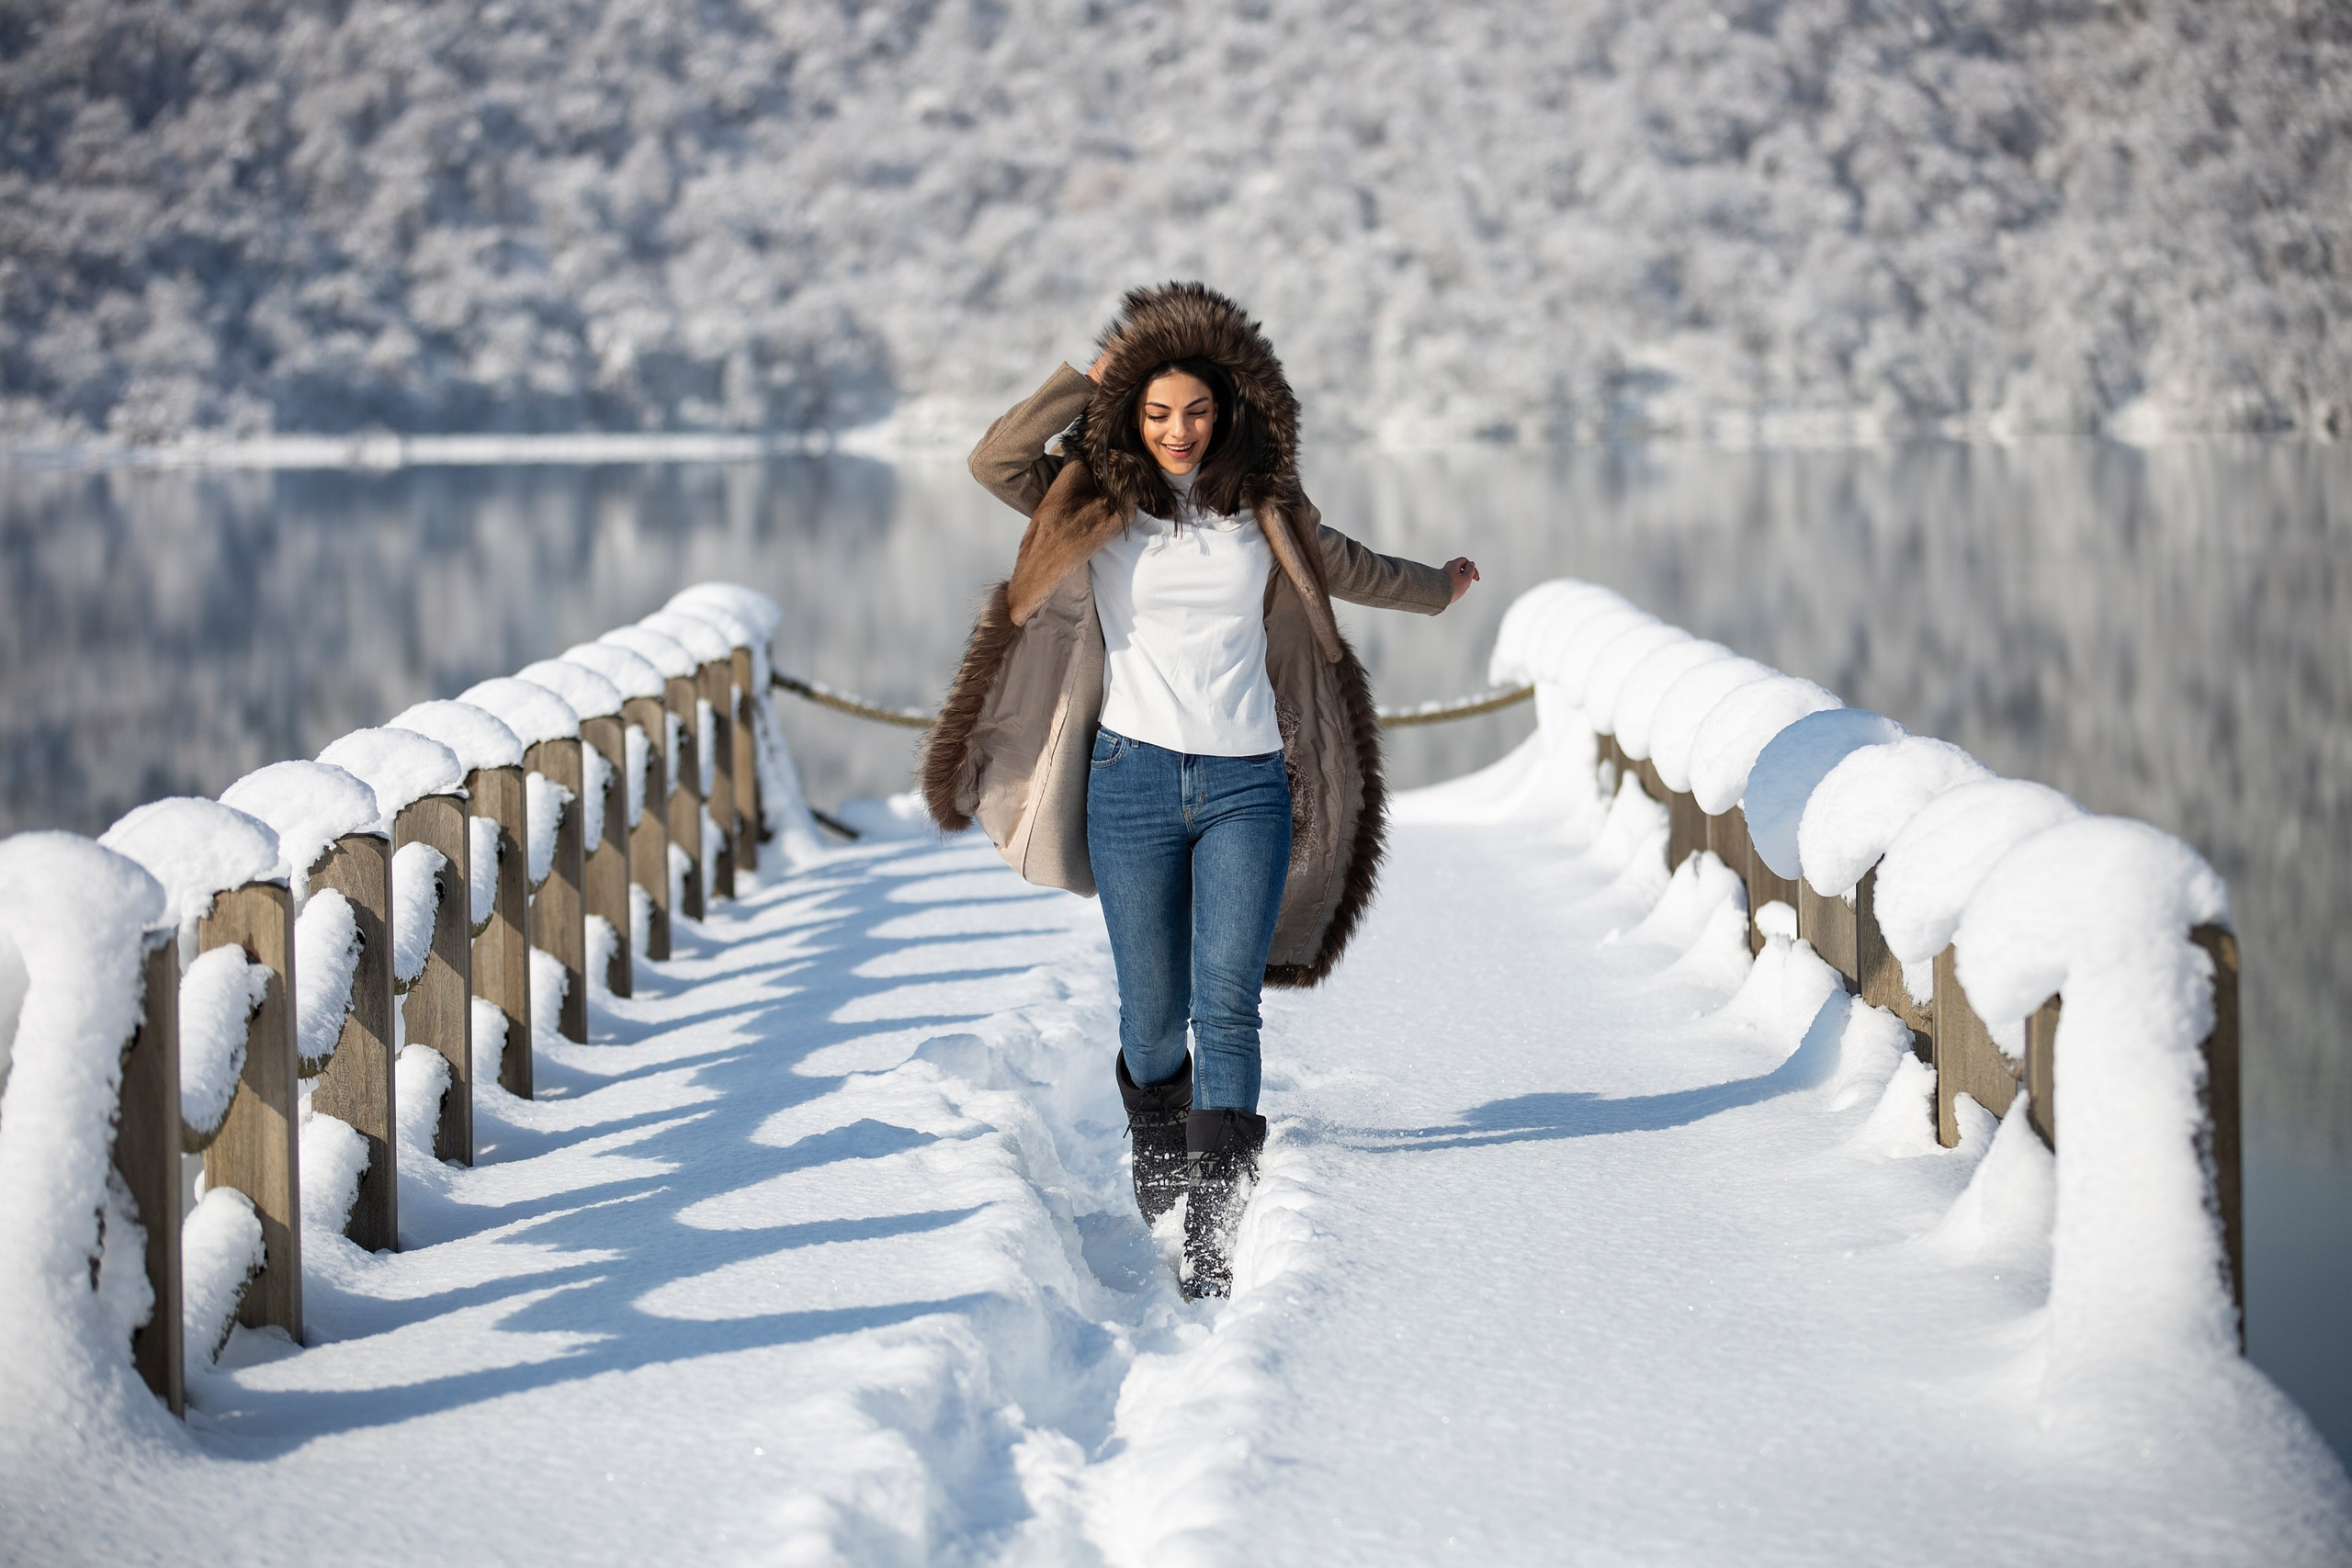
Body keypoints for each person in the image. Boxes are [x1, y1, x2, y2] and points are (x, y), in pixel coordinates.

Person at [922, 282, 1477, 1297]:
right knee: (1149, 1014)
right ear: (1131, 415)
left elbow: (1350, 567)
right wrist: (1079, 386)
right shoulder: (1089, 499)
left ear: (1228, 411)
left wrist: (1437, 588)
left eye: (1197, 411)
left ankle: (1216, 1227)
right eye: (1156, 411)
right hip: (1126, 783)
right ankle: (1163, 1175)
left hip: (1247, 788)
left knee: (1227, 1009)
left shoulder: (1266, 510)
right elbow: (991, 460)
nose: (1178, 432)